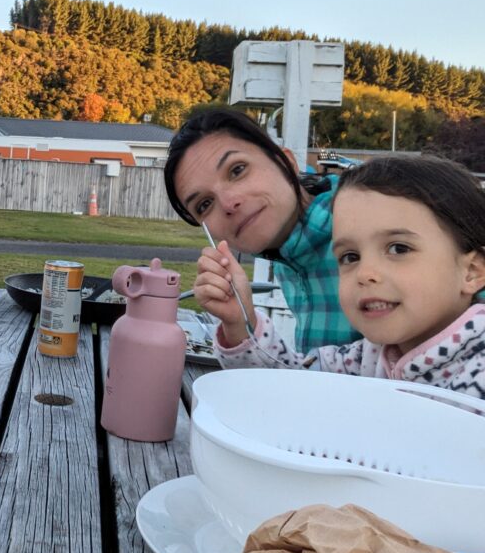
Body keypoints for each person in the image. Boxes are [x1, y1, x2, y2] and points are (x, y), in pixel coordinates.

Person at [212, 155, 485, 398]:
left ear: (472, 272)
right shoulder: (365, 358)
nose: (365, 274)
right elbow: (289, 385)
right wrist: (239, 321)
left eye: (398, 248)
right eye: (350, 257)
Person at [164, 106, 361, 353]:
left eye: (237, 170)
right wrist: (238, 324)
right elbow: (321, 372)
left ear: (286, 161)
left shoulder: (370, 227)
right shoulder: (288, 256)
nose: (228, 203)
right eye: (204, 204)